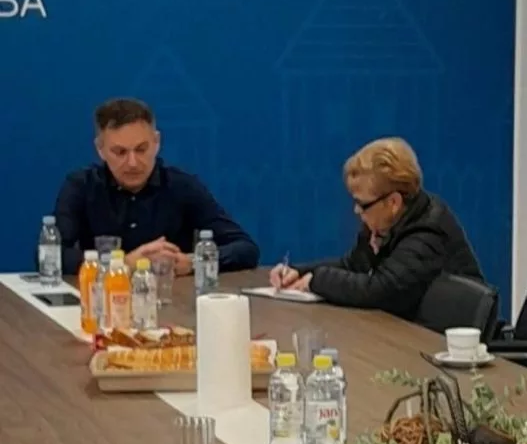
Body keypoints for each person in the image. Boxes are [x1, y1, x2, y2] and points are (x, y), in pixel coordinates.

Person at [271, 137, 482, 319]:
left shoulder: (428, 231)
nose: (356, 210)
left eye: (362, 204)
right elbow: (353, 265)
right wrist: (299, 272)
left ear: (393, 203)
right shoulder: (385, 222)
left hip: (450, 344)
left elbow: (382, 290)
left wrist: (317, 280)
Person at [53, 98, 259, 275]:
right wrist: (123, 264)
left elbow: (246, 249)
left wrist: (193, 262)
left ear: (156, 142)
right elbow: (52, 256)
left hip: (172, 300)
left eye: (141, 149)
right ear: (100, 149)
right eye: (120, 152)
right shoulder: (81, 186)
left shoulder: (182, 186)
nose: (133, 163)